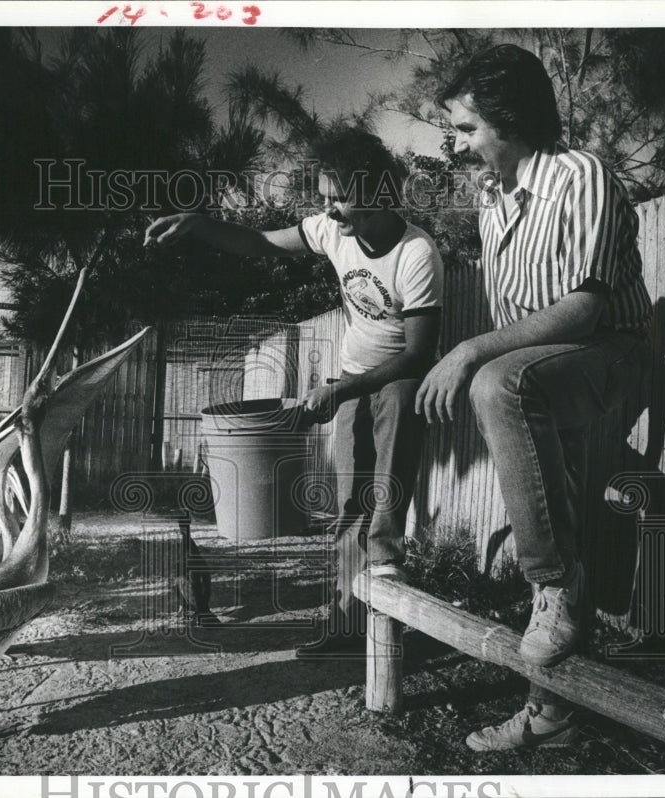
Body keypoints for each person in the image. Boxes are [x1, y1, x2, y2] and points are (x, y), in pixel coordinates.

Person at [415, 44, 653, 749]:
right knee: (554, 502)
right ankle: (549, 714)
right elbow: (517, 324)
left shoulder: (580, 177)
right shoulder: (493, 202)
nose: (456, 145)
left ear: (510, 118)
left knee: (496, 379)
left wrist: (468, 353)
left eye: (465, 129)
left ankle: (553, 584)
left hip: (612, 355)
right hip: (549, 372)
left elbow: (583, 310)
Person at [145, 127, 444, 657]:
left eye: (340, 199)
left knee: (385, 507)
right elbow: (259, 242)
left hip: (397, 385)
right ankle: (346, 628)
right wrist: (198, 224)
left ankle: (386, 624)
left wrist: (346, 386)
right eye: (325, 197)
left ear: (376, 195)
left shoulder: (417, 253)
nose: (329, 211)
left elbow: (419, 354)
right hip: (351, 381)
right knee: (350, 506)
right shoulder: (335, 233)